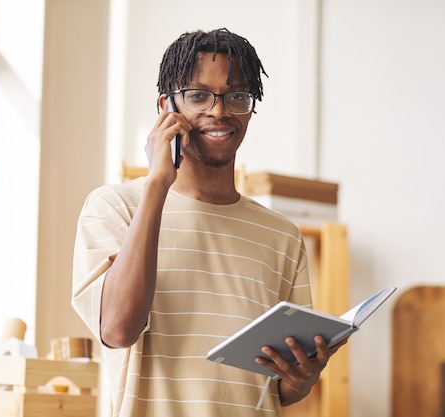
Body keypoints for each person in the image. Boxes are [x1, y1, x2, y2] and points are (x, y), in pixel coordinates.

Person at [72, 28, 344, 416]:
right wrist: (157, 184)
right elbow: (117, 330)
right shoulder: (114, 207)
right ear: (167, 106)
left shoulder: (282, 235)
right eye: (198, 95)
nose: (219, 111)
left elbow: (276, 385)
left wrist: (300, 381)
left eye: (237, 96)